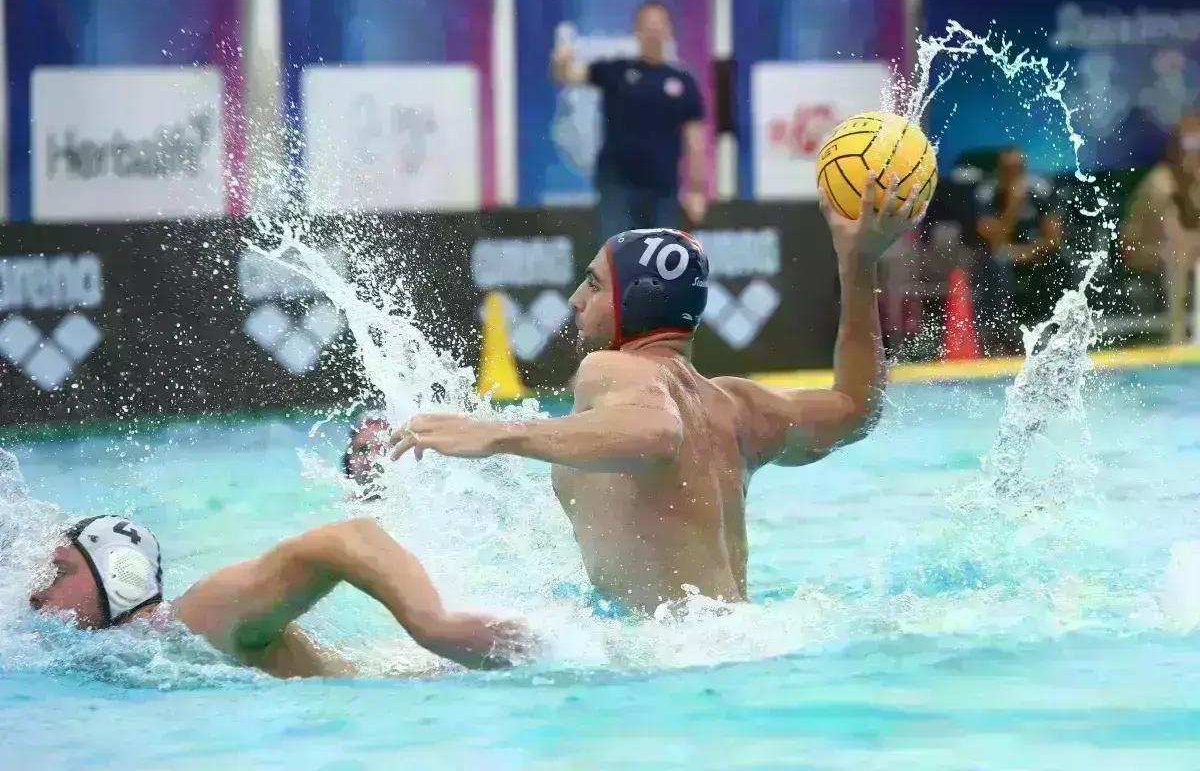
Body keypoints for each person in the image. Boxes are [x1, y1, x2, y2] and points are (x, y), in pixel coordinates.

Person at [390, 173, 924, 617]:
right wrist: (858, 264)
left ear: (635, 302)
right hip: (738, 640)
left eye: (594, 284)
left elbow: (656, 432)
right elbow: (856, 409)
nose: (575, 298)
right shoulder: (737, 407)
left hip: (664, 662)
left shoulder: (611, 367)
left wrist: (495, 434)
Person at [29, 514, 533, 678]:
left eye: (59, 572)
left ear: (119, 574)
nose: (36, 592)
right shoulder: (112, 653)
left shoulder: (197, 617)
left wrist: (431, 623)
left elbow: (347, 537)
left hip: (440, 680)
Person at [551, 0, 708, 242]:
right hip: (617, 187)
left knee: (661, 259)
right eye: (647, 26)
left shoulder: (683, 81)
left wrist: (696, 189)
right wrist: (561, 60)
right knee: (618, 257)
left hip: (663, 189)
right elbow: (566, 74)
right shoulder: (616, 71)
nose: (653, 32)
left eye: (659, 26)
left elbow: (694, 138)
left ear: (669, 30)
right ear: (637, 31)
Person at [969, 146, 1065, 355]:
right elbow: (994, 240)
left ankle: (1061, 328)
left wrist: (1030, 251)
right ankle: (1000, 333)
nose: (1012, 174)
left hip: (1033, 250)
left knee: (1063, 260)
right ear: (999, 169)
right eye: (1007, 169)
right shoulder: (986, 193)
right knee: (997, 262)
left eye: (1017, 169)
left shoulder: (1040, 189)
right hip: (1002, 253)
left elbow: (1054, 238)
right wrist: (1012, 206)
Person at [1120, 111, 1200, 344]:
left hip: (1179, 251)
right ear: (1175, 150)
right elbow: (1173, 232)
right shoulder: (1161, 184)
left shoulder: (1193, 181)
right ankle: (1176, 339)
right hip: (1143, 251)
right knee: (1180, 254)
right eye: (1190, 145)